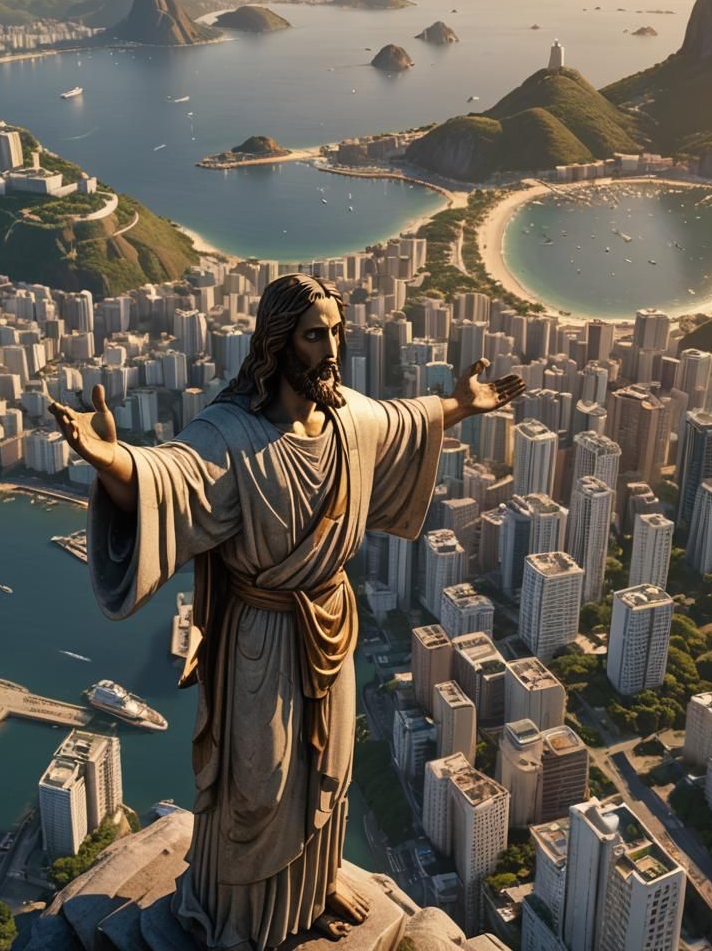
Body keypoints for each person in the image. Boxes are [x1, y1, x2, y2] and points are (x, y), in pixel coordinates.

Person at [50, 274, 524, 949]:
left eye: (336, 332)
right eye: (313, 335)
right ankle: (241, 918)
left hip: (331, 622)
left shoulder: (348, 419)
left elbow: (406, 421)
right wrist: (112, 461)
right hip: (262, 636)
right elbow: (169, 480)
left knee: (326, 770)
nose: (330, 348)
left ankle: (311, 890)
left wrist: (460, 405)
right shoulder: (230, 434)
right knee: (260, 786)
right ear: (277, 342)